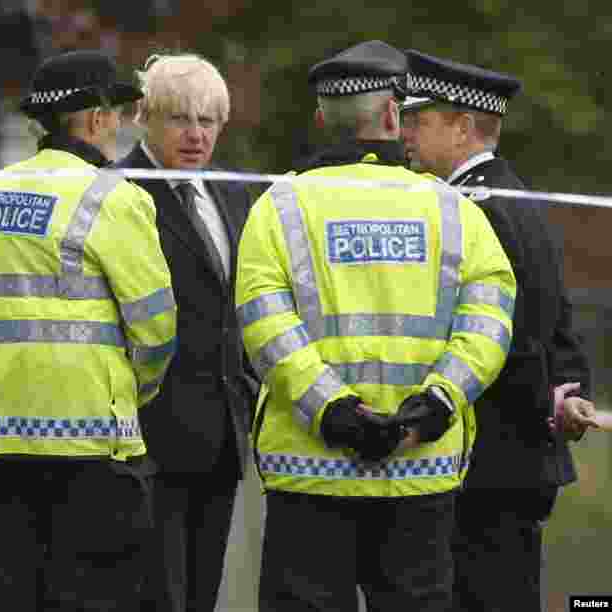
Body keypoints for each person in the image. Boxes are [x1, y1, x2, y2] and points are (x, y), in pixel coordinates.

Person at [236, 40, 516, 611]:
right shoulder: (454, 209)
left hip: (309, 470)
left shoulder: (278, 207)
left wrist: (334, 411)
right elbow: (488, 322)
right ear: (393, 115)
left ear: (322, 118)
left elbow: (266, 326)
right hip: (421, 468)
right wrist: (438, 404)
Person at [0, 49, 177, 611]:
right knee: (91, 596)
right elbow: (156, 326)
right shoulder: (113, 196)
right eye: (121, 116)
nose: (124, 128)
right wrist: (136, 391)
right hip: (86, 441)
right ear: (99, 118)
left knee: (14, 594)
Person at [400, 49, 592, 612]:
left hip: (490, 459)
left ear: (462, 126)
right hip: (519, 454)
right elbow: (555, 321)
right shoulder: (512, 193)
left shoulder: (474, 207)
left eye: (420, 120)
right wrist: (565, 396)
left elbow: (512, 335)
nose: (406, 133)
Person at [114, 52, 258, 612]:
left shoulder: (231, 193)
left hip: (222, 435)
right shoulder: (118, 192)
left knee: (203, 594)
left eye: (209, 121)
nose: (196, 135)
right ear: (144, 120)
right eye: (180, 119)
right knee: (156, 597)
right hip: (147, 435)